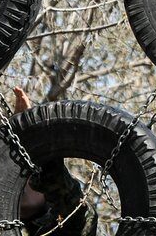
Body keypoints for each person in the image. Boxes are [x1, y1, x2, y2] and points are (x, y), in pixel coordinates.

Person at [13, 87, 98, 236]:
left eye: (32, 178)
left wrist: (31, 136)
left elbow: (58, 184)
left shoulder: (76, 222)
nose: (23, 186)